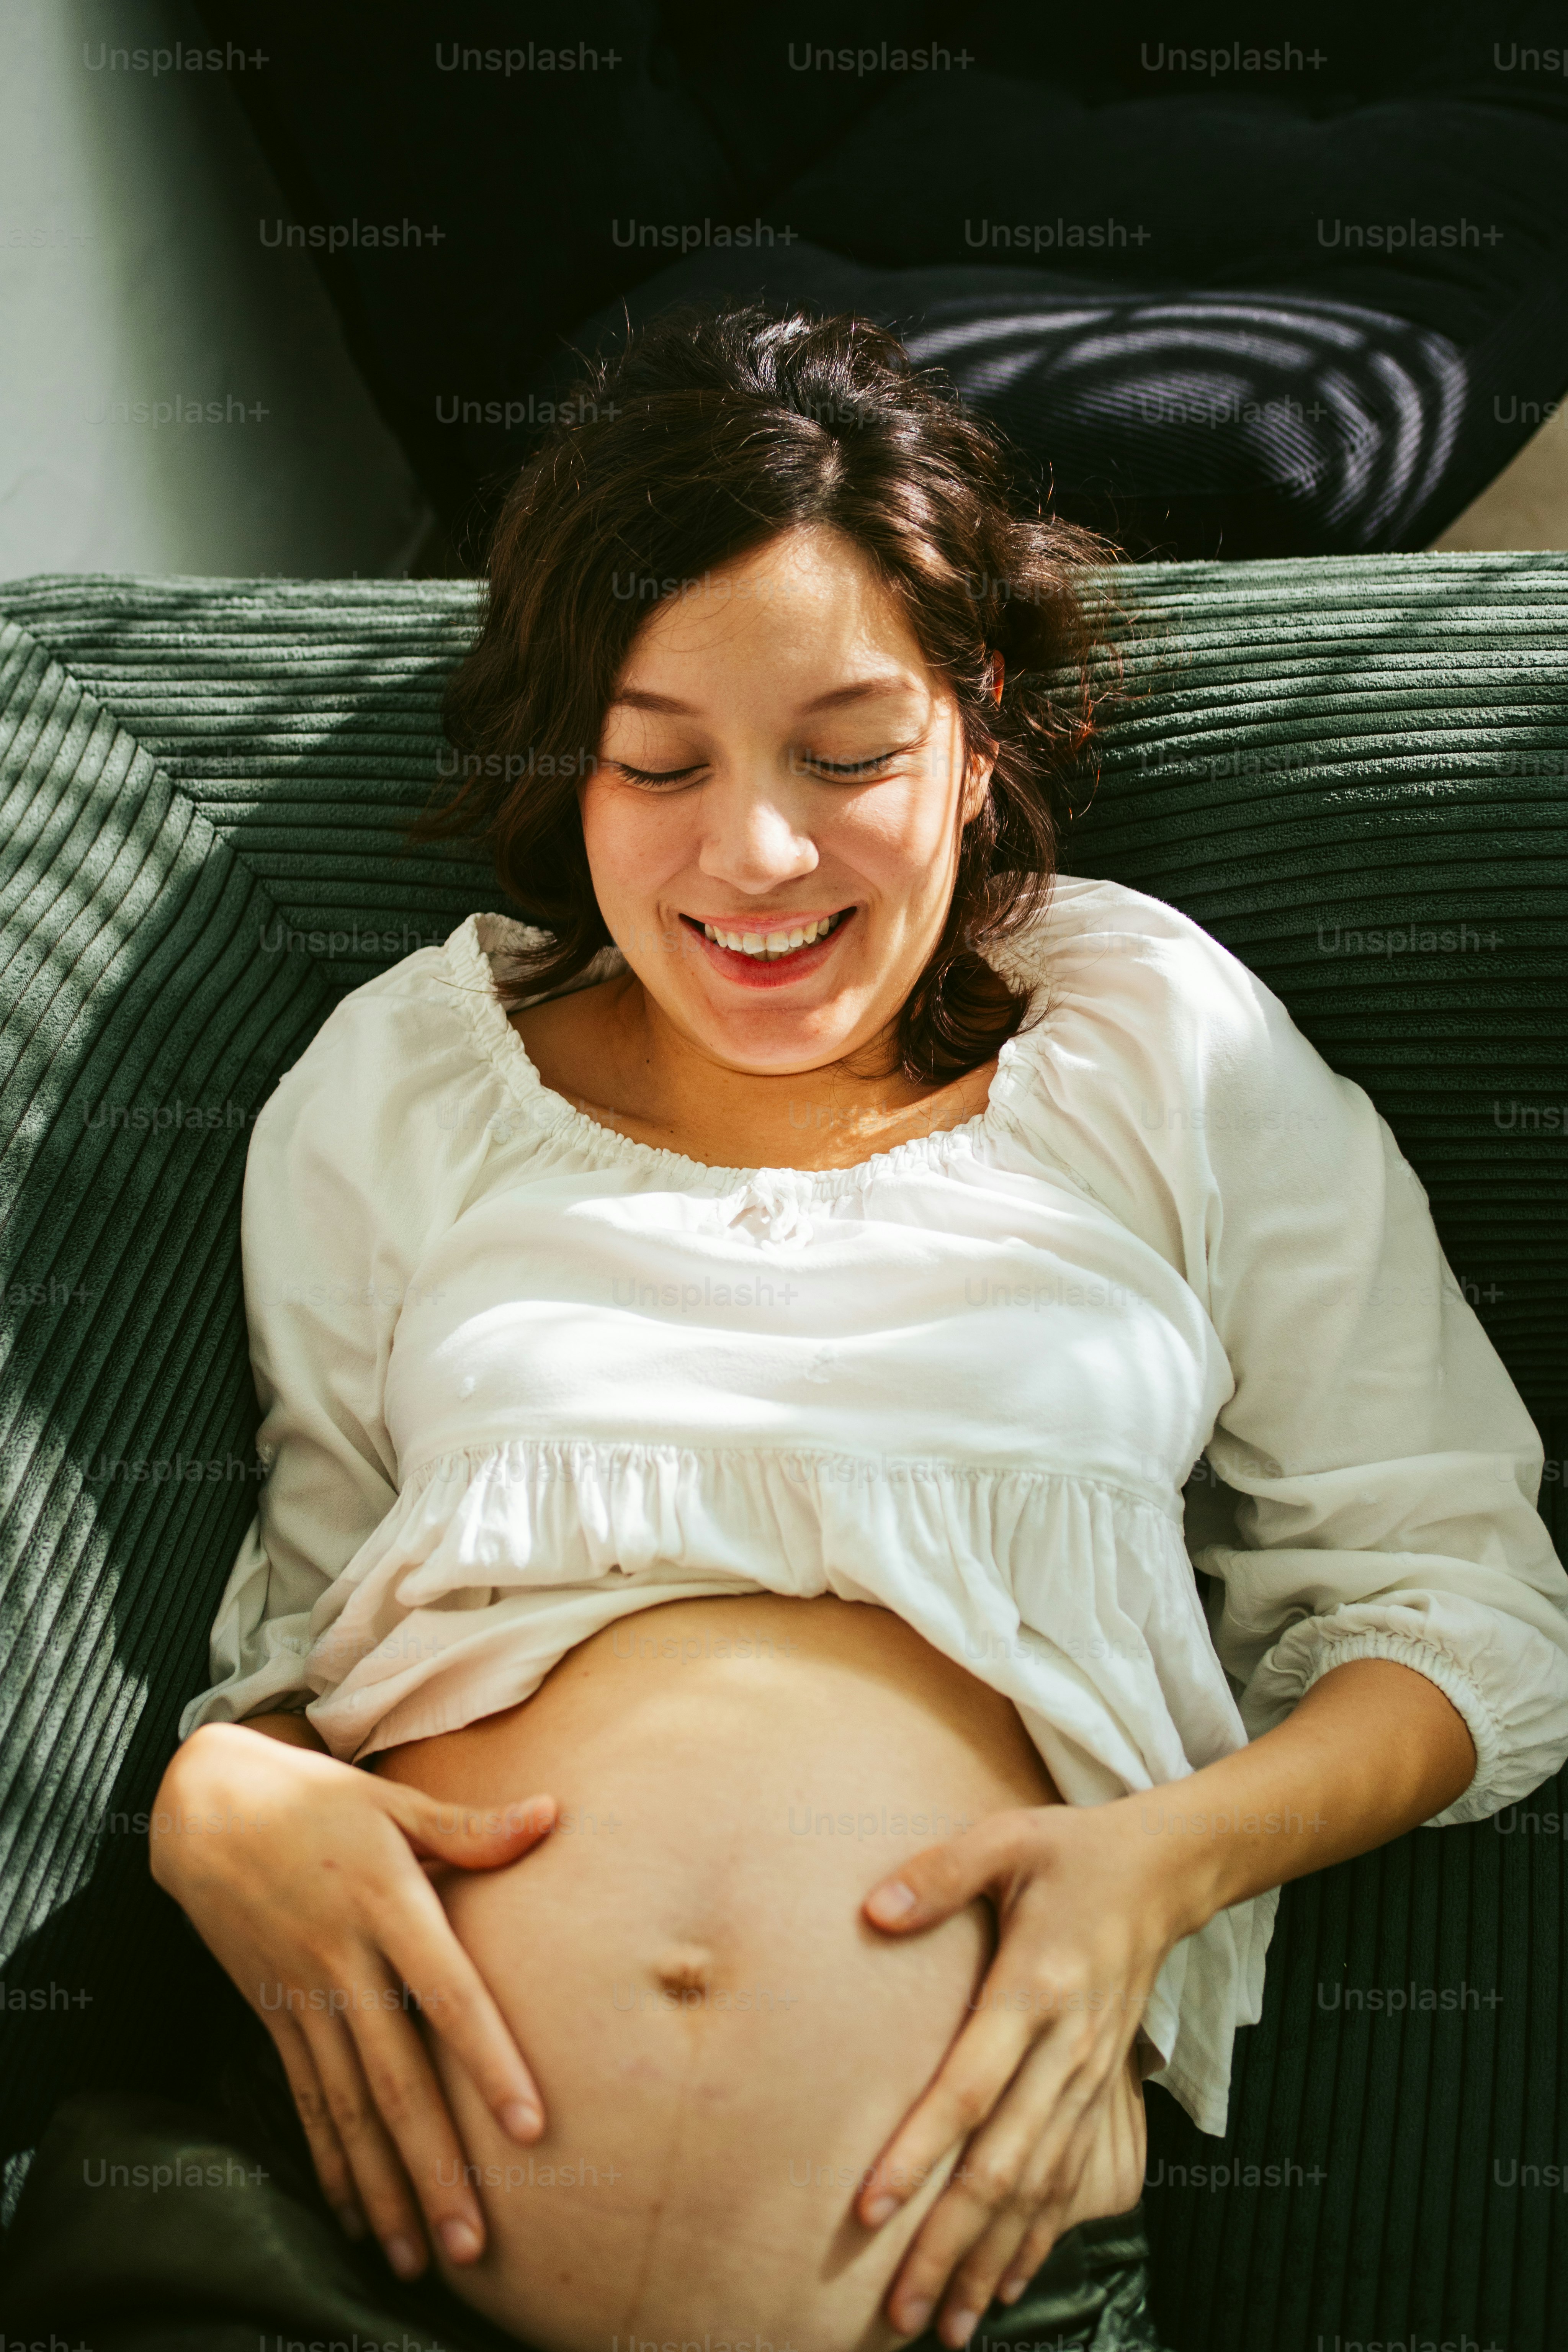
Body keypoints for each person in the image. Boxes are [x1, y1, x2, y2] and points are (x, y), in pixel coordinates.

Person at [149, 304, 1568, 2352]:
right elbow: (299, 1630)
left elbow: (1468, 1606)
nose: (755, 854)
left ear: (978, 726)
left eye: (850, 754)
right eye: (660, 762)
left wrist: (1163, 1863)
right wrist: (223, 1797)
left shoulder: (1148, 1037)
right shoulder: (404, 1082)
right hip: (337, 2267)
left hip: (974, 2291)